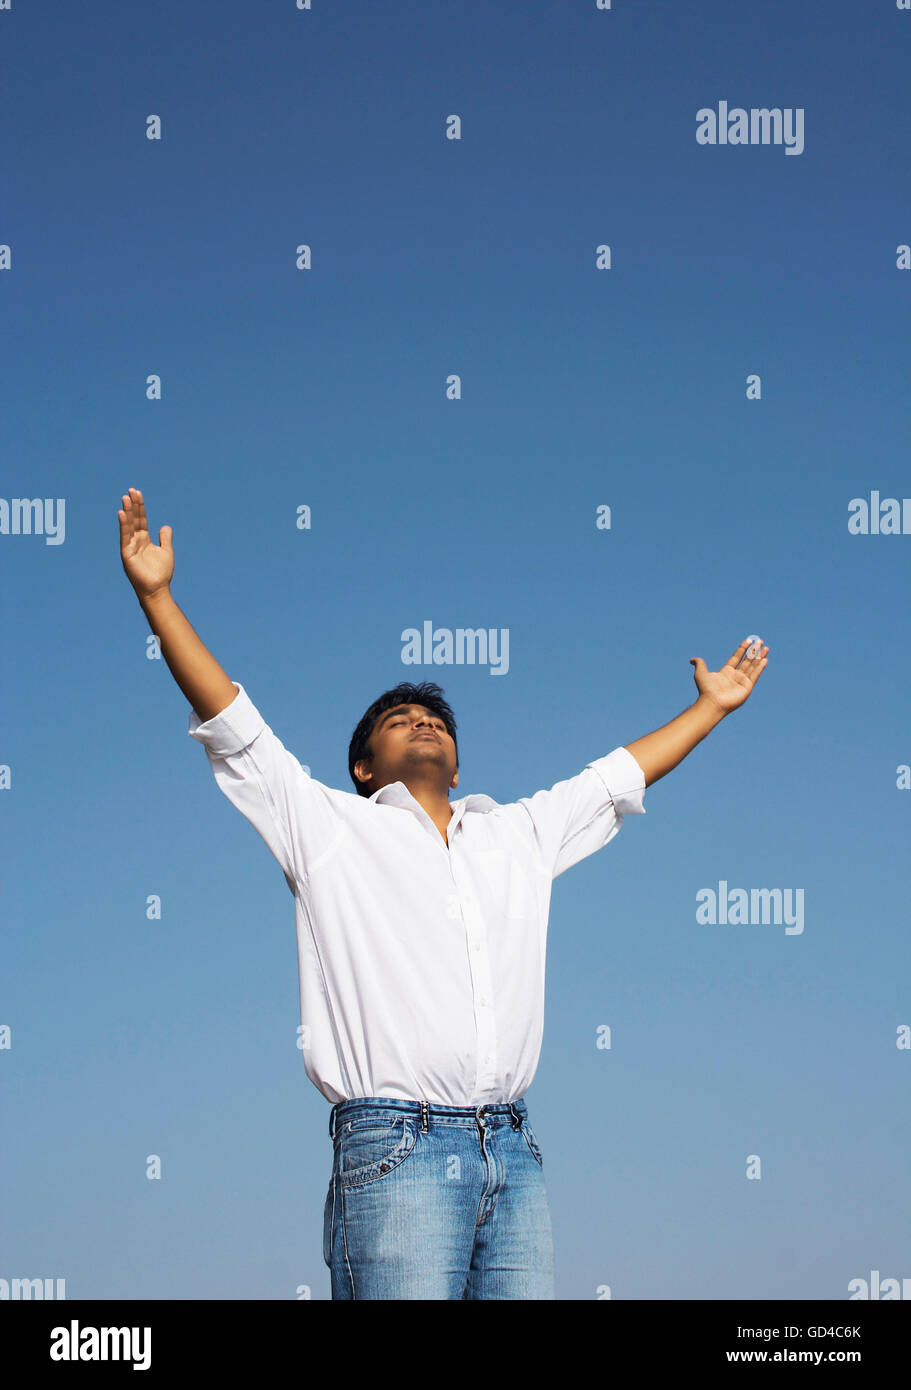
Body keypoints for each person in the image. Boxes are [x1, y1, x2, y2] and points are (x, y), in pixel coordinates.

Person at [117, 486, 770, 1300]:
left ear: (457, 764)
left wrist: (707, 709)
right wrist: (158, 597)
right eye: (397, 718)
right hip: (395, 1150)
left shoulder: (517, 833)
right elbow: (232, 720)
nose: (421, 720)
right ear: (363, 766)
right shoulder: (326, 826)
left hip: (515, 1151)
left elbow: (617, 778)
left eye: (434, 717)